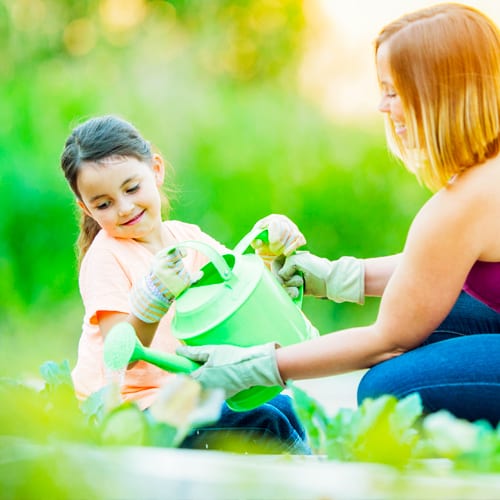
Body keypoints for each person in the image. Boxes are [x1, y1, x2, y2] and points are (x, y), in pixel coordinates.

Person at [178, 3, 500, 426]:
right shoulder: (482, 182)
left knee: (388, 389)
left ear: (436, 92)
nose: (383, 106)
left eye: (393, 90)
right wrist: (332, 277)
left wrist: (258, 365)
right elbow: (437, 268)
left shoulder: (460, 206)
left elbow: (387, 340)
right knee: (441, 320)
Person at [60, 114, 311, 453]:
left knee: (285, 408)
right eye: (104, 204)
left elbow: (238, 288)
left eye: (132, 188)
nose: (124, 207)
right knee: (266, 423)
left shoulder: (188, 238)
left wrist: (268, 253)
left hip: (183, 397)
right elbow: (121, 356)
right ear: (86, 209)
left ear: (157, 169)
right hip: (133, 413)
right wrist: (154, 298)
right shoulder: (105, 256)